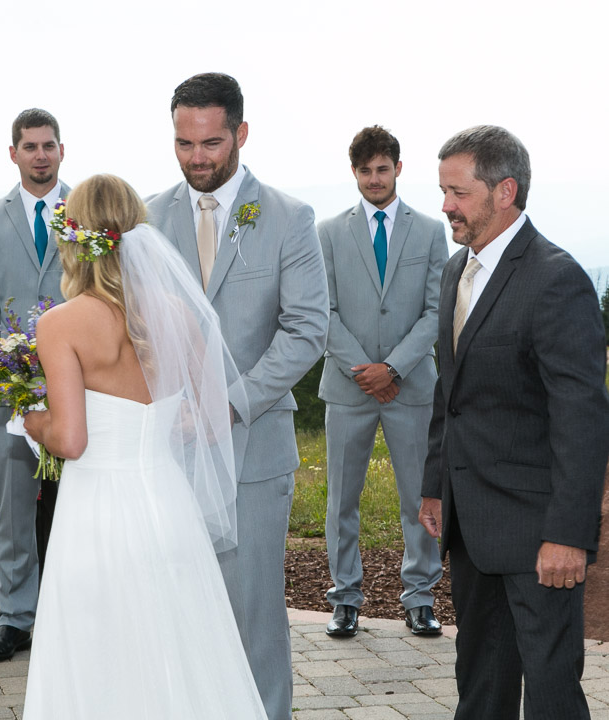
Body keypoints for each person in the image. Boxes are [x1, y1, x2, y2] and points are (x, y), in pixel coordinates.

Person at [22, 173, 267, 719]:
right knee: (179, 644)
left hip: (97, 514)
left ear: (74, 235)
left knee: (98, 649)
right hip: (167, 504)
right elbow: (208, 422)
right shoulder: (177, 313)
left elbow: (72, 440)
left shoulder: (62, 323)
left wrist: (31, 421)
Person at [146, 72, 329, 720]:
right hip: (166, 451)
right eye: (184, 143)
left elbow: (308, 328)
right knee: (179, 601)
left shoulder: (288, 217)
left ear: (241, 134)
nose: (198, 157)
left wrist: (231, 400)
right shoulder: (147, 216)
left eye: (212, 143)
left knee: (253, 609)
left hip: (253, 452)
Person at [420, 125, 609, 720]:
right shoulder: (456, 271)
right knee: (479, 681)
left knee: (551, 692)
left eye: (458, 192)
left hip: (539, 537)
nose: (445, 205)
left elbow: (582, 420)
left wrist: (570, 536)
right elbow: (449, 390)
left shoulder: (557, 279)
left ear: (505, 192)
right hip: (470, 525)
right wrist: (434, 484)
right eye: (443, 190)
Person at [318, 125, 448, 638]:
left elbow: (438, 309)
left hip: (412, 387)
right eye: (365, 170)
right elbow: (322, 311)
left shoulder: (430, 231)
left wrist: (392, 368)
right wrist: (367, 372)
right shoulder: (328, 231)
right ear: (354, 172)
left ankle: (420, 597)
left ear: (398, 168)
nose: (374, 178)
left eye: (383, 168)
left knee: (420, 498)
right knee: (340, 499)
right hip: (348, 388)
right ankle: (345, 598)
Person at [0, 108, 70, 663]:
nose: (39, 154)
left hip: (77, 387)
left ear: (61, 150)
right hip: (6, 392)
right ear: (13, 153)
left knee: (77, 503)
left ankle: (72, 611)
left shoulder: (86, 213)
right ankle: (15, 619)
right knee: (13, 509)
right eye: (29, 146)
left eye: (48, 145)